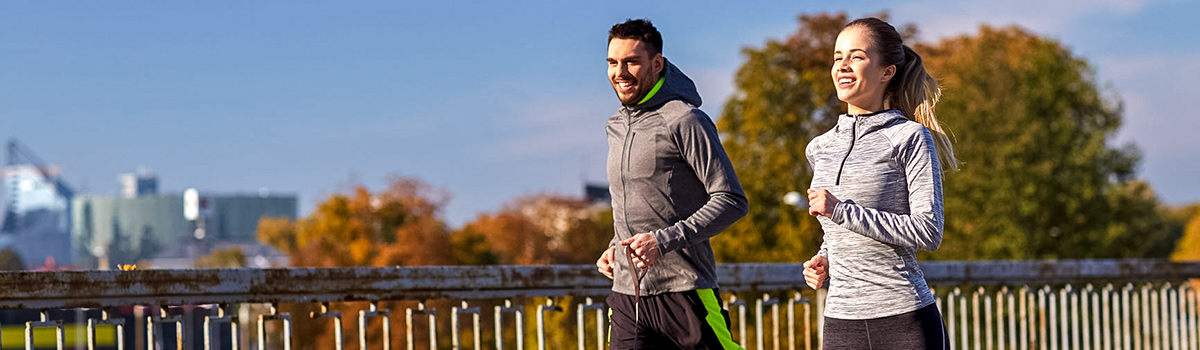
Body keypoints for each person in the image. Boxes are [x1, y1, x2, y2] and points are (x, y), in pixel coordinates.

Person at [801, 17, 958, 349]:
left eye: (856, 56)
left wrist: (841, 210)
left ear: (887, 71)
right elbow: (837, 231)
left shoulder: (909, 137)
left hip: (904, 319)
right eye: (837, 57)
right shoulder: (820, 148)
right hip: (841, 322)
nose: (842, 65)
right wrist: (825, 257)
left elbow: (929, 231)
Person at [594, 18, 748, 350]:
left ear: (657, 63)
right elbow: (644, 203)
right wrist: (614, 245)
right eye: (612, 63)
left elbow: (732, 200)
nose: (619, 72)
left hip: (685, 291)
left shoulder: (684, 119)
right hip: (628, 296)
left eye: (631, 61)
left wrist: (662, 242)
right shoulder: (615, 126)